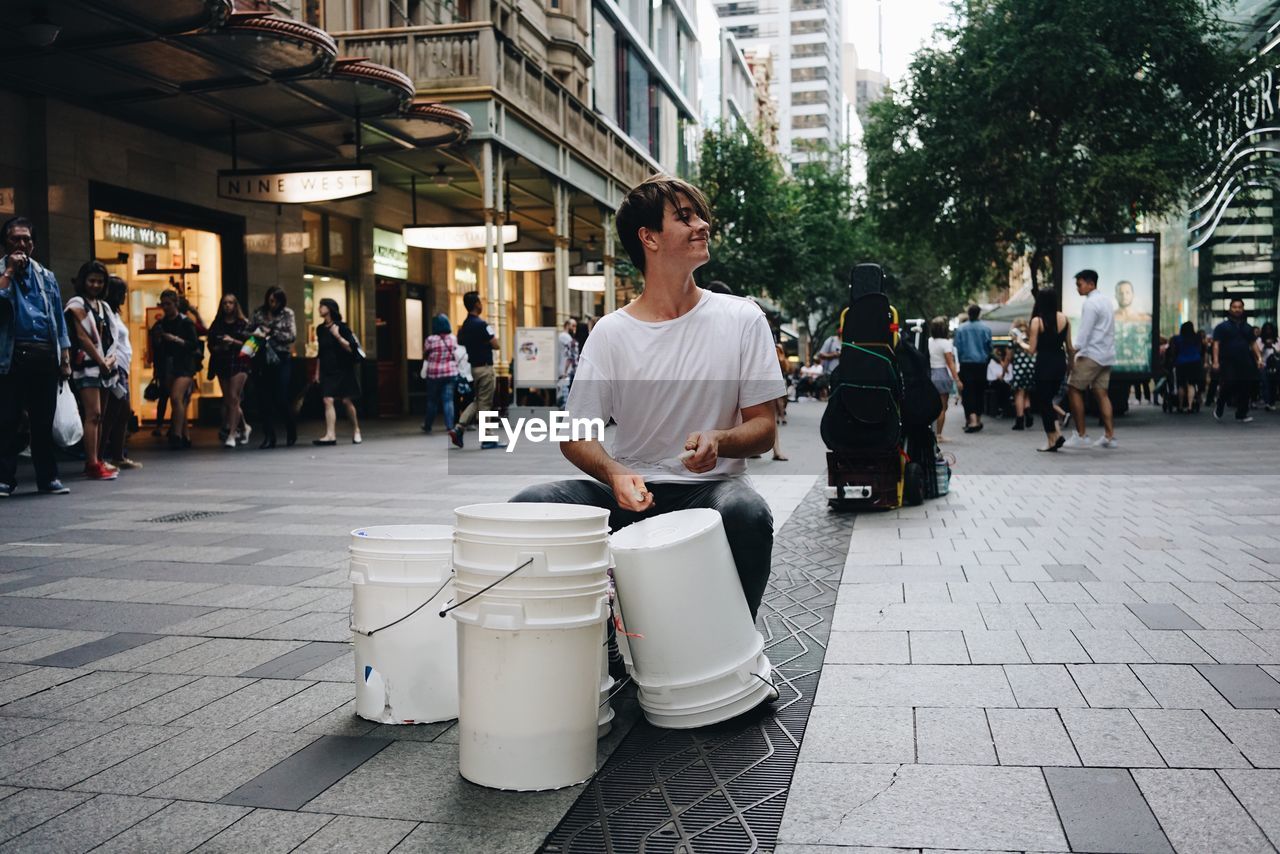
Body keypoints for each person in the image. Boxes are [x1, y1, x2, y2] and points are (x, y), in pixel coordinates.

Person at [511, 175, 784, 619]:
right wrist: (615, 473)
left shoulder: (741, 317)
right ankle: (597, 641)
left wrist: (720, 439)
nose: (702, 225)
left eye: (699, 215)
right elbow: (575, 435)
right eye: (684, 217)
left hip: (712, 490)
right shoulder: (611, 332)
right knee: (529, 506)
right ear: (648, 238)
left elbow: (764, 428)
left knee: (748, 513)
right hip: (631, 492)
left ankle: (738, 652)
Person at [0, 216, 73, 496]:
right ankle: (5, 478)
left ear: (33, 244)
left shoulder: (46, 276)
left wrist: (64, 357)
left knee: (43, 420)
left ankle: (48, 478)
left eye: (26, 239)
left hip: (43, 354)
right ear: (5, 242)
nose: (21, 244)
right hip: (10, 355)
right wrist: (8, 271)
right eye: (15, 238)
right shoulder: (2, 271)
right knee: (6, 418)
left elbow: (57, 317)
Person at [65, 260, 120, 480]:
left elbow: (112, 337)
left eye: (100, 281)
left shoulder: (103, 306)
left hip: (106, 366)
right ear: (82, 281)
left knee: (101, 416)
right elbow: (82, 337)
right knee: (93, 414)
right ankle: (92, 463)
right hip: (88, 366)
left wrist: (110, 359)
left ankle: (97, 459)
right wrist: (101, 361)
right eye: (91, 280)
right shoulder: (77, 303)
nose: (95, 285)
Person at [1064, 269, 1117, 448]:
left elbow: (1084, 332)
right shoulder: (1107, 301)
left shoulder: (1090, 304)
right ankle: (1109, 437)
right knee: (1101, 393)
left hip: (1092, 354)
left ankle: (1081, 435)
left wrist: (1073, 351)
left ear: (1090, 284)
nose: (1078, 288)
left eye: (1079, 284)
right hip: (1107, 354)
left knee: (1073, 388)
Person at [100, 275, 140, 470]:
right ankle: (103, 456)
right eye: (122, 292)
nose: (125, 296)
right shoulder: (105, 312)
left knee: (119, 412)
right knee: (117, 410)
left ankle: (116, 455)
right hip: (115, 368)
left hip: (122, 367)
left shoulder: (114, 313)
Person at [151, 289, 200, 449]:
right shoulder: (161, 324)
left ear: (176, 304)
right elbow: (157, 349)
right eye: (163, 304)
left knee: (176, 397)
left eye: (168, 304)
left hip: (185, 364)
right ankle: (185, 435)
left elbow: (194, 344)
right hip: (169, 365)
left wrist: (176, 340)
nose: (165, 307)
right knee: (179, 401)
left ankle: (176, 435)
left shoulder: (186, 322)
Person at [453, 291, 502, 449]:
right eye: (480, 302)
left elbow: (461, 341)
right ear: (476, 305)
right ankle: (487, 438)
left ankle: (459, 428)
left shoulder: (465, 325)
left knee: (478, 400)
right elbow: (496, 344)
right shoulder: (482, 325)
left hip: (474, 368)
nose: (482, 304)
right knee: (485, 403)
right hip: (486, 368)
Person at [251, 286, 297, 449]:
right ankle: (269, 436)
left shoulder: (287, 313)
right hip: (262, 358)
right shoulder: (259, 313)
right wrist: (256, 336)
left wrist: (272, 332)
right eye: (270, 300)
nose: (273, 304)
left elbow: (291, 336)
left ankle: (290, 428)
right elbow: (251, 333)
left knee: (280, 396)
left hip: (281, 358)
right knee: (263, 399)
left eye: (276, 301)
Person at [311, 298, 362, 446]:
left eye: (322, 306)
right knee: (327, 399)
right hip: (327, 369)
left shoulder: (342, 327)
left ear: (330, 308)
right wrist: (317, 372)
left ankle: (356, 429)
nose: (319, 308)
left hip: (343, 368)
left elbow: (351, 348)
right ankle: (330, 435)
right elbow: (321, 352)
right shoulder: (320, 329)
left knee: (346, 401)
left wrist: (338, 336)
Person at [1028, 287, 1072, 452]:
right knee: (1049, 401)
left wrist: (1020, 342)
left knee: (1044, 403)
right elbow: (1070, 347)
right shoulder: (1065, 319)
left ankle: (1051, 440)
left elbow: (1032, 349)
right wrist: (1071, 365)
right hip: (1060, 363)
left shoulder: (1037, 321)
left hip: (1044, 364)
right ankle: (1057, 435)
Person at [207, 294, 252, 448]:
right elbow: (210, 343)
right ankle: (245, 426)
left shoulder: (243, 323)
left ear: (235, 305)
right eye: (225, 303)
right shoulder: (217, 323)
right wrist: (218, 346)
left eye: (231, 303)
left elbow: (251, 346)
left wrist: (232, 341)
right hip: (222, 360)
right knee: (229, 400)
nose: (228, 306)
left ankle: (232, 434)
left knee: (233, 397)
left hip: (239, 361)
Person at [1212, 298, 1264, 424]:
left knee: (1246, 386)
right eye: (1234, 307)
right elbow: (1216, 344)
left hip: (1245, 361)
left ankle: (1241, 414)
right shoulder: (1221, 327)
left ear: (1243, 309)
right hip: (1228, 361)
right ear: (1230, 309)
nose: (1237, 309)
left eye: (1239, 307)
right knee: (1229, 383)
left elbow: (1253, 344)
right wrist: (1215, 361)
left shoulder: (1247, 328)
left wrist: (1259, 359)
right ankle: (1220, 405)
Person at [953, 304, 992, 432]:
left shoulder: (961, 329)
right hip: (981, 364)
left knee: (968, 392)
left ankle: (972, 421)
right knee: (980, 391)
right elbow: (989, 347)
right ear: (979, 313)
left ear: (968, 314)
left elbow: (957, 347)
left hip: (966, 364)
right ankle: (978, 419)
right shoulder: (986, 329)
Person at [422, 313, 460, 443]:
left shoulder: (430, 340)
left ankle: (428, 425)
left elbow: (426, 354)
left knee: (432, 400)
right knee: (448, 400)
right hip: (450, 372)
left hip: (434, 373)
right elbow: (455, 352)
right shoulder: (452, 339)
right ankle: (449, 426)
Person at [927, 316, 962, 442]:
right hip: (941, 375)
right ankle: (938, 435)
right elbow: (950, 363)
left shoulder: (929, 341)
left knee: (930, 405)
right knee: (942, 408)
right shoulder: (946, 344)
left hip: (929, 374)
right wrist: (957, 380)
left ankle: (930, 432)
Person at [1169, 321, 1203, 414]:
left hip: (1181, 362)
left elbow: (1173, 351)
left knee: (1181, 384)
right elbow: (1200, 349)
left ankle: (1180, 406)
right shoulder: (1197, 338)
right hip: (1195, 362)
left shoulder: (1176, 338)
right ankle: (1190, 406)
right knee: (1191, 384)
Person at [1009, 318, 1035, 429]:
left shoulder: (1014, 336)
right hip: (1031, 367)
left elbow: (1009, 354)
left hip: (1020, 368)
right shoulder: (1030, 335)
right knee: (1026, 393)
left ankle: (1020, 419)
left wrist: (1005, 368)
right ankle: (1028, 413)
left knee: (1019, 393)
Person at [557, 317, 578, 409]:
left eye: (575, 326)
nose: (574, 328)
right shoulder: (564, 336)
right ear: (567, 325)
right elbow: (571, 354)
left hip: (566, 370)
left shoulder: (566, 337)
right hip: (565, 370)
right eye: (572, 325)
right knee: (564, 394)